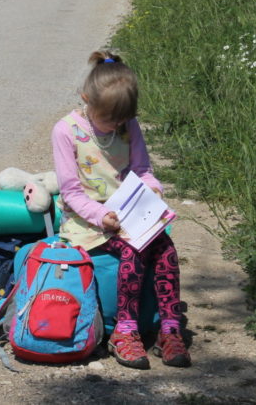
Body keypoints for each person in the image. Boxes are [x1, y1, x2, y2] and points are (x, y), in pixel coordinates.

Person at [51, 50, 190, 369]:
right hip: (88, 221)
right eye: (108, 119)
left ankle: (169, 329)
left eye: (121, 120)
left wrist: (153, 189)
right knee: (131, 252)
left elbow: (143, 169)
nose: (115, 126)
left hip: (129, 212)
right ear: (86, 99)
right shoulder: (66, 131)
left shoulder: (128, 125)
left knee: (166, 248)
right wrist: (101, 216)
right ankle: (124, 332)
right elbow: (71, 192)